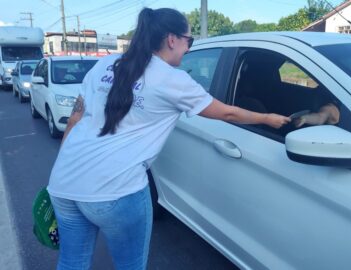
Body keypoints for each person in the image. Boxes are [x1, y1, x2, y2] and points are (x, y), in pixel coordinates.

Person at [46, 7, 290, 270]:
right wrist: (268, 119)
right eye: (189, 41)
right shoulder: (172, 79)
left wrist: (62, 171)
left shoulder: (106, 63)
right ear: (172, 39)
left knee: (72, 262)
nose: (188, 49)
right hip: (114, 189)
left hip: (64, 182)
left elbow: (75, 119)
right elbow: (228, 113)